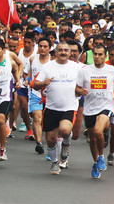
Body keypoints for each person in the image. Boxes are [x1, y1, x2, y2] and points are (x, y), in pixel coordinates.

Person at [76, 45, 114, 179]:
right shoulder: (85, 71)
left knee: (98, 131)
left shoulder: (112, 70)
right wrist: (81, 91)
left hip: (106, 105)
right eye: (95, 54)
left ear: (105, 56)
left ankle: (101, 157)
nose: (97, 57)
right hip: (90, 107)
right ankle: (95, 162)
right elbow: (77, 88)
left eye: (100, 54)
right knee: (92, 137)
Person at [33, 42, 81, 174]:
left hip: (69, 107)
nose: (63, 53)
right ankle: (55, 163)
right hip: (51, 108)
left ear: (70, 52)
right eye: (60, 50)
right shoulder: (48, 67)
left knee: (65, 131)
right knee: (50, 140)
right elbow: (35, 85)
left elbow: (85, 81)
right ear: (56, 52)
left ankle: (66, 145)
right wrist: (43, 83)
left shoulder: (76, 67)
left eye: (66, 50)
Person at [26, 37, 51, 154]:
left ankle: (50, 142)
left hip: (50, 95)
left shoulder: (53, 61)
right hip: (35, 93)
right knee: (37, 117)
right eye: (40, 46)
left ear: (50, 48)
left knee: (47, 120)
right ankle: (39, 143)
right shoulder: (32, 59)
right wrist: (27, 80)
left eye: (45, 46)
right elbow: (30, 73)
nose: (42, 48)